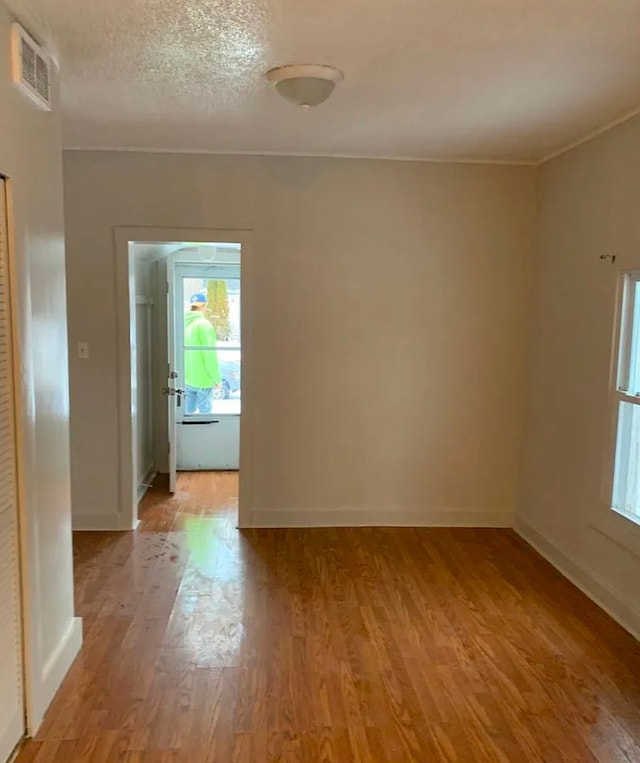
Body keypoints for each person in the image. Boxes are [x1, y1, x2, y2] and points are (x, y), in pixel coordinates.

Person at [184, 292, 220, 414]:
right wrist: (216, 378)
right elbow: (209, 355)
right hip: (204, 379)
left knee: (187, 414)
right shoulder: (204, 325)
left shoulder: (183, 325)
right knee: (205, 416)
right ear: (204, 305)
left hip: (187, 378)